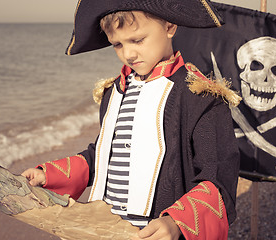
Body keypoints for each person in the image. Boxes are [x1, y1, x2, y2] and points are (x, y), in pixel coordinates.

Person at [22, 0, 241, 239]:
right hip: (104, 230)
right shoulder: (112, 93)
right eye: (117, 44)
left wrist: (177, 222)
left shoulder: (200, 96)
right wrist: (49, 174)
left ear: (169, 26)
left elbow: (218, 175)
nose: (128, 54)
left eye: (137, 40)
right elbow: (102, 157)